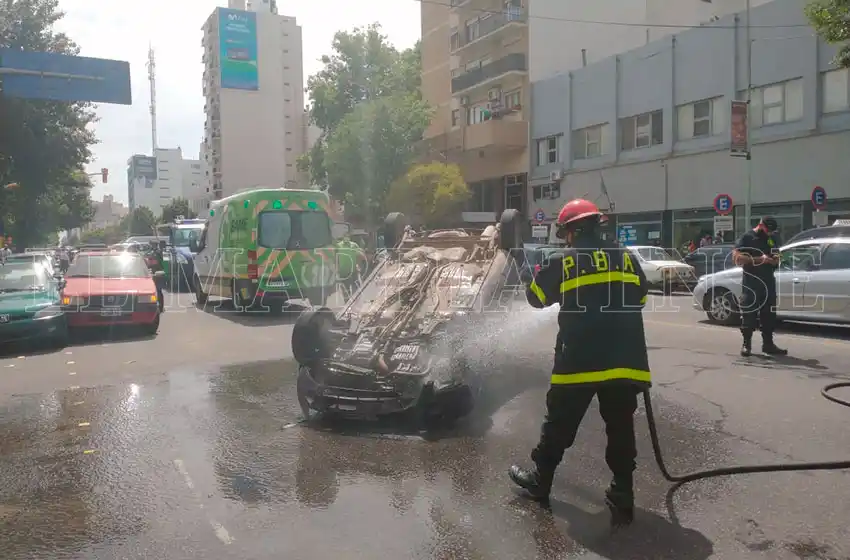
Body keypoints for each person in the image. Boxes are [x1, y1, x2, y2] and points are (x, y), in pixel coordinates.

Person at [509, 198, 652, 526]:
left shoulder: (564, 260)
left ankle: (540, 481)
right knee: (620, 427)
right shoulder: (627, 258)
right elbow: (641, 297)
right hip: (625, 360)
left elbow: (536, 298)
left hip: (579, 361)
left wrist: (528, 269)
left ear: (571, 231)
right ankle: (623, 491)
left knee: (559, 424)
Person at [732, 217, 787, 357]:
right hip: (751, 282)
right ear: (761, 225)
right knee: (749, 314)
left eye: (772, 231)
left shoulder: (773, 238)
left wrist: (775, 260)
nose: (769, 233)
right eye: (767, 230)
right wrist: (760, 260)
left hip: (768, 281)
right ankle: (746, 345)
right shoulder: (747, 238)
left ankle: (768, 344)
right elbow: (737, 258)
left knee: (769, 315)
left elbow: (777, 256)